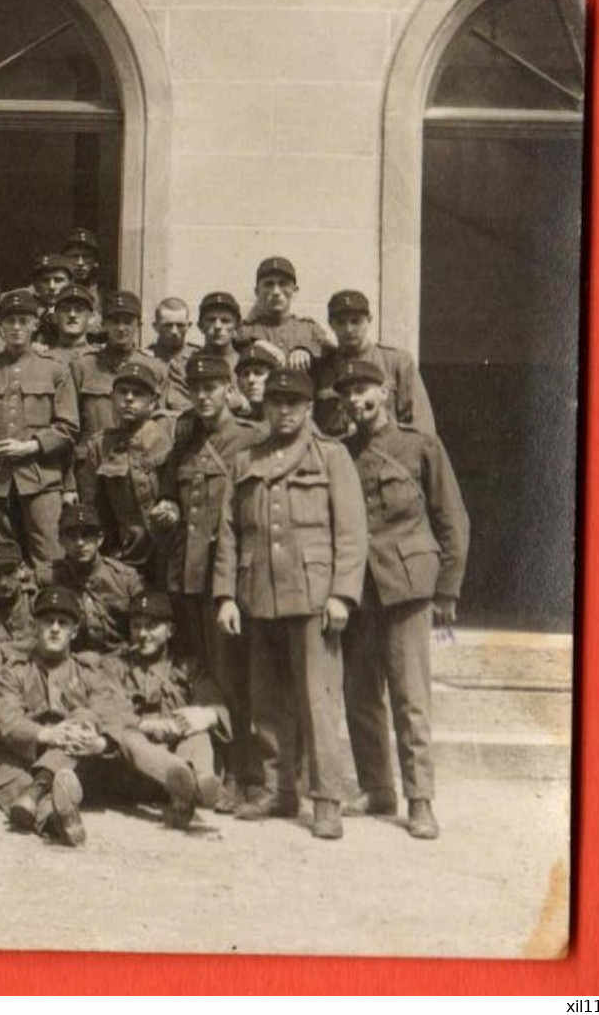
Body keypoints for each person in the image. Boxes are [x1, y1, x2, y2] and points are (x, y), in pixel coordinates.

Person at [213, 368, 368, 840]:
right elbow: (229, 532)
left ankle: (326, 798)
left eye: (293, 404)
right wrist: (225, 596)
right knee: (267, 699)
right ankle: (277, 790)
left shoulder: (332, 456)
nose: (283, 411)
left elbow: (351, 531)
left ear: (307, 409)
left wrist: (342, 594)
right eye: (275, 403)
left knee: (318, 700)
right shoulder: (246, 460)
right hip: (258, 593)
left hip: (313, 595)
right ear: (264, 407)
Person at [337, 358, 469, 840]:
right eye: (348, 392)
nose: (356, 399)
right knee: (360, 692)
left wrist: (447, 590)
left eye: (365, 389)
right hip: (361, 590)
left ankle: (420, 799)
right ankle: (377, 788)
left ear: (387, 390)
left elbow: (453, 519)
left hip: (409, 587)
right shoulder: (343, 452)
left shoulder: (420, 447)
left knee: (410, 695)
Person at [148, 353, 265, 809]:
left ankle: (241, 771)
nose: (203, 396)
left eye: (212, 387)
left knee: (233, 676)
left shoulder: (248, 440)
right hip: (185, 576)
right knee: (202, 676)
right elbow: (167, 495)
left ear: (228, 389)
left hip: (226, 579)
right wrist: (167, 510)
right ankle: (206, 764)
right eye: (196, 389)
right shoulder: (183, 441)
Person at [0, 586, 138, 848]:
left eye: (63, 623)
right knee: (5, 778)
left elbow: (112, 714)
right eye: (47, 621)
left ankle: (39, 792)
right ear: (35, 626)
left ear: (74, 631)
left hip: (75, 762)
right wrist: (48, 734)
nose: (54, 628)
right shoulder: (16, 671)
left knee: (83, 717)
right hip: (23, 755)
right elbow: (6, 722)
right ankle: (58, 819)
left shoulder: (89, 671)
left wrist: (98, 742)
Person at [0, 289, 77, 582]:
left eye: (23, 320)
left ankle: (49, 616)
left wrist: (31, 447)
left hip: (41, 478)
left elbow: (68, 427)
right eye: (10, 321)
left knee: (50, 557)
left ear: (35, 324)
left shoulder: (55, 370)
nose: (16, 328)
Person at [98, 590, 229, 830]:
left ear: (170, 631)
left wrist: (205, 716)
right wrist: (148, 725)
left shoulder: (188, 668)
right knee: (127, 735)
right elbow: (107, 711)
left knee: (196, 730)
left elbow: (217, 705)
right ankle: (181, 778)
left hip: (180, 750)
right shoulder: (115, 666)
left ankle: (199, 782)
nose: (143, 634)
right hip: (139, 772)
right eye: (137, 626)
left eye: (152, 626)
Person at [76, 359, 173, 572]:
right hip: (126, 555)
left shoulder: (168, 437)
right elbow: (93, 508)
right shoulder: (100, 444)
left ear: (153, 401)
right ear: (112, 397)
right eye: (122, 392)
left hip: (169, 551)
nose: (128, 399)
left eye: (138, 394)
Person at [313, 290, 438, 439]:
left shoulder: (397, 362)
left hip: (386, 453)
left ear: (369, 320)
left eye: (356, 321)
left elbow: (421, 425)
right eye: (341, 322)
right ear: (331, 324)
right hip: (336, 455)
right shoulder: (321, 369)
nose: (349, 329)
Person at [70, 290, 166, 443]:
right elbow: (72, 423)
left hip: (139, 456)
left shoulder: (154, 367)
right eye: (115, 321)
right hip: (93, 457)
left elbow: (161, 420)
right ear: (104, 324)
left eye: (127, 322)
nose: (121, 328)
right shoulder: (83, 366)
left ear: (138, 325)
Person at [47, 504, 144, 655]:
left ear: (100, 539)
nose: (80, 543)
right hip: (72, 665)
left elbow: (144, 628)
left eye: (86, 535)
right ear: (61, 541)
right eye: (72, 536)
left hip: (119, 661)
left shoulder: (125, 578)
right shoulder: (49, 579)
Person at [238, 256, 336, 370]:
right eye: (269, 284)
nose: (275, 291)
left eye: (283, 284)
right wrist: (258, 343)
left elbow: (331, 349)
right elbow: (232, 341)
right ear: (257, 291)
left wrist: (306, 348)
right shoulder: (247, 330)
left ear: (294, 290)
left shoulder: (309, 328)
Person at [147, 298, 198, 413]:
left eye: (180, 325)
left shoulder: (198, 359)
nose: (174, 331)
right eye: (168, 325)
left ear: (188, 326)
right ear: (156, 326)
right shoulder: (144, 359)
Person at [233, 345, 280, 423]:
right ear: (239, 383)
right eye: (245, 374)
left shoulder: (284, 418)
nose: (251, 380)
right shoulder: (234, 421)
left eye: (258, 373)